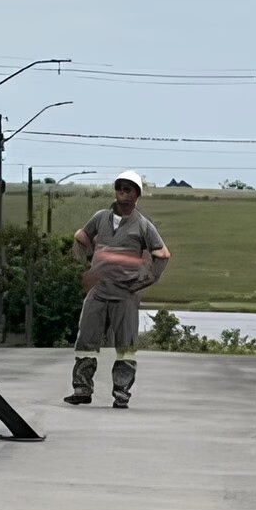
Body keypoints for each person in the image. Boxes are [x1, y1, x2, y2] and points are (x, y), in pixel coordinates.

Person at [65, 170, 170, 408]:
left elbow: (162, 254)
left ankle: (121, 393)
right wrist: (84, 263)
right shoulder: (101, 217)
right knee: (86, 341)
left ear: (137, 195)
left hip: (125, 293)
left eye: (128, 189)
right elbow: (81, 236)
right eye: (120, 187)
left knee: (126, 347)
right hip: (99, 290)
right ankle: (82, 389)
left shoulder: (143, 226)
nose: (123, 192)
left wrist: (143, 280)